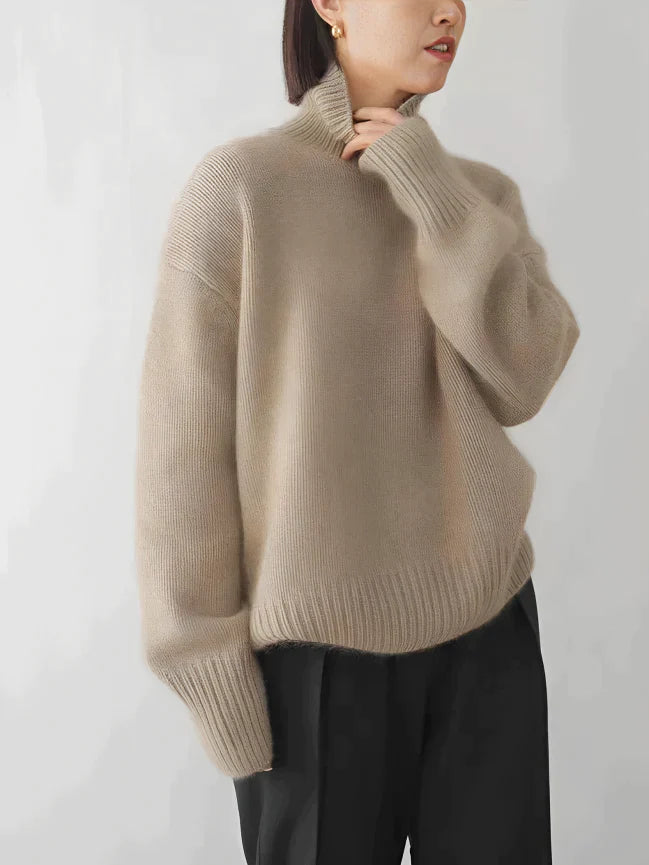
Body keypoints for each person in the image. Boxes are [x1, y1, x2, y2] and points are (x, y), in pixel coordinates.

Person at [134, 1, 580, 862]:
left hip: (486, 636)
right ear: (330, 5)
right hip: (313, 670)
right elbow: (181, 457)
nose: (450, 10)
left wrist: (431, 193)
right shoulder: (242, 189)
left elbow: (524, 376)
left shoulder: (476, 197)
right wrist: (206, 668)